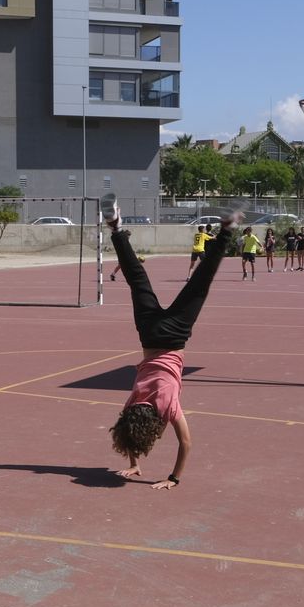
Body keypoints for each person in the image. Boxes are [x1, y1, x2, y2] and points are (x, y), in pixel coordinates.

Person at [104, 195, 241, 489]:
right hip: (150, 333)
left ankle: (227, 229)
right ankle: (115, 228)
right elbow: (126, 427)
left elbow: (186, 443)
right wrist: (132, 463)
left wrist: (173, 478)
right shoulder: (133, 402)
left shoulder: (166, 406)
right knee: (137, 279)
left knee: (200, 283)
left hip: (176, 334)